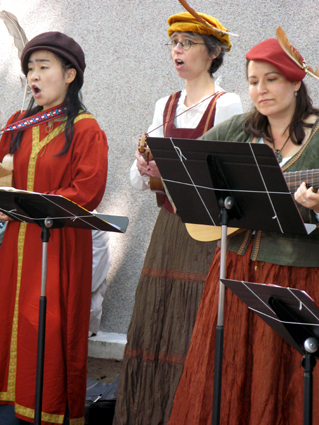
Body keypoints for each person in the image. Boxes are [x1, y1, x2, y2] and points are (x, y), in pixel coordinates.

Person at [167, 37, 319, 425]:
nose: (260, 90)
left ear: (297, 81)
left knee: (282, 383)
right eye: (253, 81)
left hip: (295, 276)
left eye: (271, 79)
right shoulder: (240, 128)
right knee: (228, 373)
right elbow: (187, 167)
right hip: (233, 270)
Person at [114, 11, 242, 425]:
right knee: (157, 320)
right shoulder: (164, 105)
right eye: (174, 43)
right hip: (167, 230)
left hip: (205, 231)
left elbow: (226, 179)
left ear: (214, 51)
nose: (178, 50)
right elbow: (136, 181)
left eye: (187, 42)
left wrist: (168, 174)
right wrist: (146, 169)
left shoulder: (229, 105)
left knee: (193, 323)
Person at [0, 32, 108, 424]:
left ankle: (46, 414)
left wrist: (22, 203)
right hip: (15, 248)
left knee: (47, 331)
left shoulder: (85, 129)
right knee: (8, 323)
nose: (34, 75)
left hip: (58, 249)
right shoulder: (17, 123)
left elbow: (87, 191)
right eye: (30, 68)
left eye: (44, 67)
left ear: (69, 74)